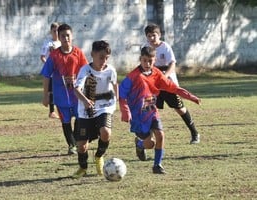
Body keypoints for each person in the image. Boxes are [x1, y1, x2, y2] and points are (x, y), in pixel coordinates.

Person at [119, 46, 201, 174]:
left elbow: (172, 87)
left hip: (151, 110)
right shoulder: (133, 76)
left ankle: (157, 165)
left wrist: (190, 96)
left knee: (160, 135)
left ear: (154, 60)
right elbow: (122, 93)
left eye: (150, 61)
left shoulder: (157, 73)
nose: (147, 64)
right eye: (145, 60)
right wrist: (125, 110)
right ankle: (140, 145)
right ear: (140, 59)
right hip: (138, 116)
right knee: (149, 144)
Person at [144, 23, 200, 145]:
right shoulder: (146, 48)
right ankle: (147, 139)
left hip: (168, 84)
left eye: (154, 35)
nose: (152, 38)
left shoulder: (165, 47)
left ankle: (194, 133)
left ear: (159, 35)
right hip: (153, 86)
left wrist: (165, 76)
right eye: (149, 36)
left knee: (179, 109)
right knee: (149, 110)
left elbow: (172, 64)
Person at [72, 40, 118, 178]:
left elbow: (115, 84)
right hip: (86, 111)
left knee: (106, 132)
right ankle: (83, 167)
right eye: (101, 57)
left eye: (106, 58)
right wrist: (85, 101)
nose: (104, 61)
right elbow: (76, 89)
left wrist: (119, 101)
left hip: (105, 107)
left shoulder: (110, 70)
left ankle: (99, 156)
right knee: (81, 146)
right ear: (93, 54)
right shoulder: (85, 70)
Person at [40, 23, 88, 155]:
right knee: (65, 121)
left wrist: (86, 89)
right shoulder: (54, 56)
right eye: (63, 36)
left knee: (79, 118)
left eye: (68, 35)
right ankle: (72, 145)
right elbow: (46, 75)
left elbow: (86, 72)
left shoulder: (78, 53)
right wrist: (45, 95)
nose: (66, 38)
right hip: (61, 97)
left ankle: (77, 140)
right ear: (59, 38)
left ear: (72, 36)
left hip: (77, 95)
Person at [40, 22, 61, 119]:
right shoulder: (48, 43)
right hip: (51, 71)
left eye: (58, 30)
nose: (56, 32)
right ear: (51, 31)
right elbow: (43, 57)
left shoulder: (62, 43)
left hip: (61, 71)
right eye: (54, 31)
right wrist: (48, 66)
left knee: (61, 91)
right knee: (51, 91)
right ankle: (52, 112)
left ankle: (61, 110)